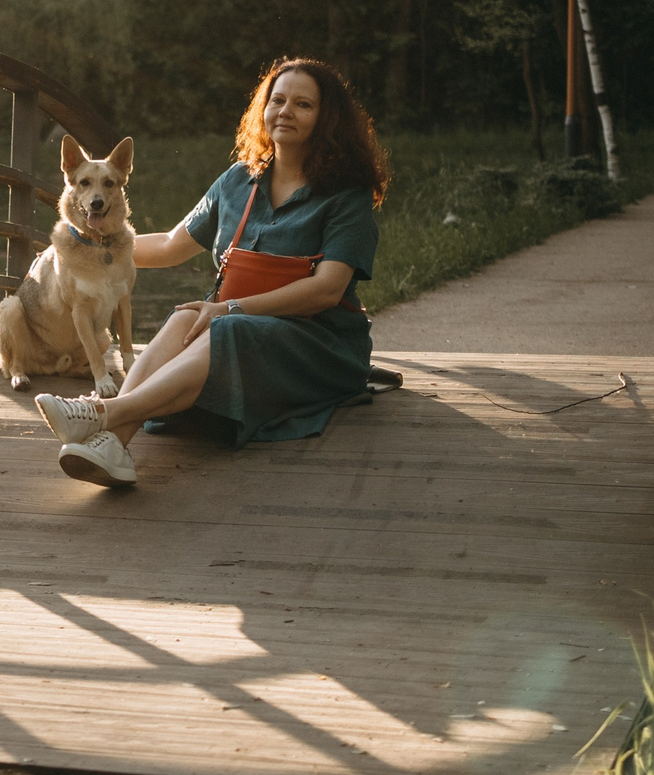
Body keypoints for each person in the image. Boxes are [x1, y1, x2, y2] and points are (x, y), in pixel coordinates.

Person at [37, 57, 391, 487]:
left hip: (318, 342)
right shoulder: (238, 181)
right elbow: (170, 245)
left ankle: (100, 412)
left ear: (327, 117)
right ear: (264, 109)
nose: (285, 111)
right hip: (238, 324)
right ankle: (113, 445)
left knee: (224, 325)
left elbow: (327, 291)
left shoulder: (346, 195)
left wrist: (229, 308)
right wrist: (77, 249)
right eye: (277, 100)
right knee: (186, 316)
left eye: (303, 104)